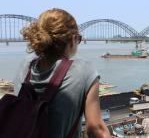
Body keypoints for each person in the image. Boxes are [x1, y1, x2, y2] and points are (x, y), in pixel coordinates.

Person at [13, 8, 111, 138]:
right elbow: (95, 128)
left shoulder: (25, 65)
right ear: (72, 40)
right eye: (79, 39)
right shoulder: (85, 70)